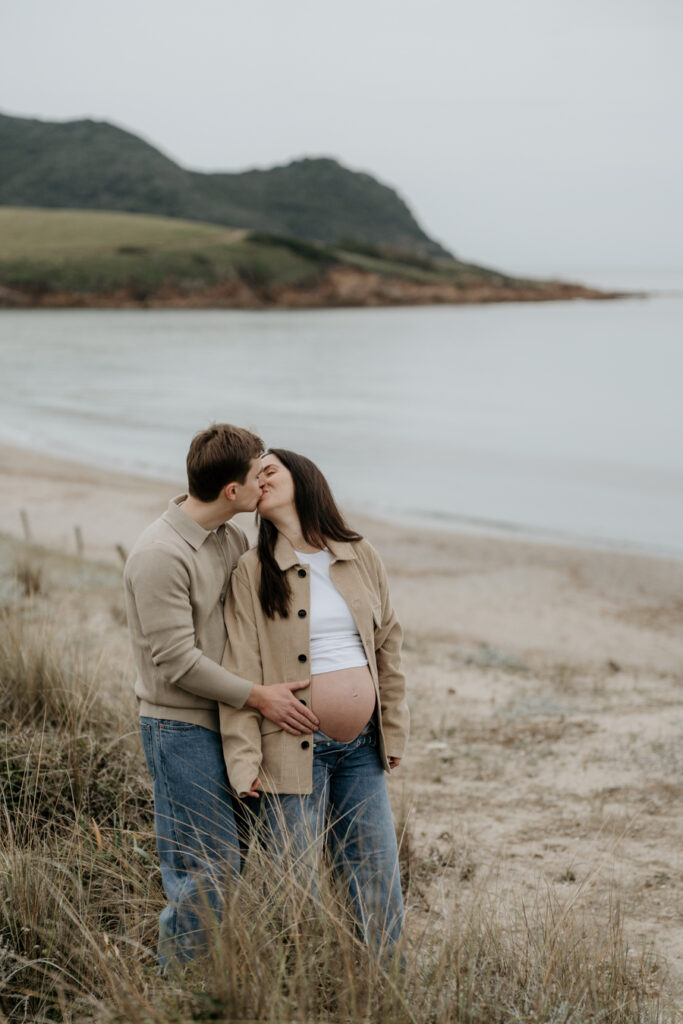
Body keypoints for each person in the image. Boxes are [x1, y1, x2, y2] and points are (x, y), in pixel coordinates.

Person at [123, 425, 319, 968]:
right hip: (179, 727)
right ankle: (179, 989)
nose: (266, 483)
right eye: (259, 475)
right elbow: (177, 661)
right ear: (232, 492)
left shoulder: (230, 539)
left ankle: (212, 980)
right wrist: (261, 697)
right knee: (205, 869)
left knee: (232, 864)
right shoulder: (159, 555)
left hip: (230, 724)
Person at [219, 449, 409, 950]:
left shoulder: (359, 552)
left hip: (363, 750)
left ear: (303, 478)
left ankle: (382, 993)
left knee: (379, 881)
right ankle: (300, 995)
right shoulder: (252, 571)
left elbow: (388, 642)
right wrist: (244, 761)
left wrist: (394, 726)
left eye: (270, 471)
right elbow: (239, 667)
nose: (260, 480)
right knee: (293, 893)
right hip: (291, 750)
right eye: (253, 476)